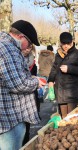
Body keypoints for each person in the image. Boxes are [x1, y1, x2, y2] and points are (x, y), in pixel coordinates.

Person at [0, 20, 46, 150]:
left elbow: (10, 77)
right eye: (29, 43)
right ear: (21, 37)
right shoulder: (8, 48)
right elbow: (18, 85)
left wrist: (30, 77)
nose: (28, 47)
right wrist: (37, 82)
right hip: (11, 119)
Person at [48, 32, 78, 118]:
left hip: (71, 92)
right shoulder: (58, 55)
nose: (66, 46)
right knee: (62, 118)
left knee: (71, 118)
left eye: (68, 43)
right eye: (63, 43)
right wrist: (50, 81)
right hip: (60, 91)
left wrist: (69, 69)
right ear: (60, 43)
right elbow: (54, 69)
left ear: (72, 42)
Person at [22, 45, 41, 145]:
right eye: (26, 47)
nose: (27, 49)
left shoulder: (32, 60)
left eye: (30, 47)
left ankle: (26, 144)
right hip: (19, 99)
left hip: (31, 95)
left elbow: (34, 76)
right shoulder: (16, 58)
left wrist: (34, 78)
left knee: (27, 127)